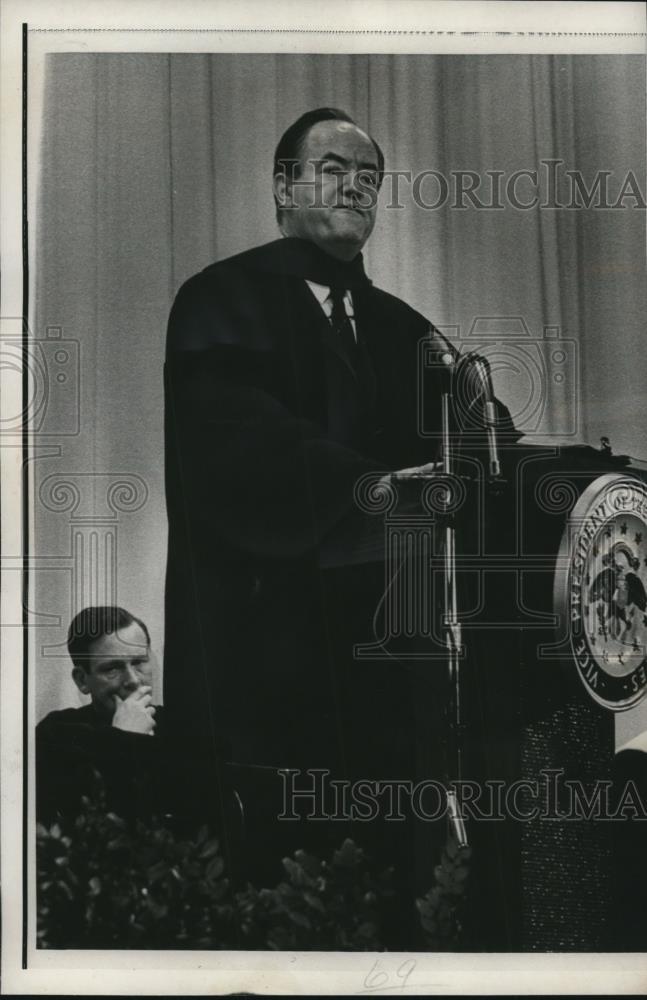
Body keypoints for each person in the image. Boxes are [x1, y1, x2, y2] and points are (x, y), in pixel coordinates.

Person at [163, 108, 517, 889]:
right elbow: (233, 435)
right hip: (274, 639)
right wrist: (367, 485)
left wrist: (495, 443)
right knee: (295, 867)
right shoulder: (220, 299)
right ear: (284, 185)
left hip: (394, 655)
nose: (354, 187)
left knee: (396, 862)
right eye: (332, 169)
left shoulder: (404, 328)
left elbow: (479, 447)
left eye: (369, 177)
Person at [35, 606, 169, 826]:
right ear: (82, 680)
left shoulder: (183, 726)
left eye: (139, 662)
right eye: (112, 669)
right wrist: (122, 740)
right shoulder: (56, 734)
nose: (133, 680)